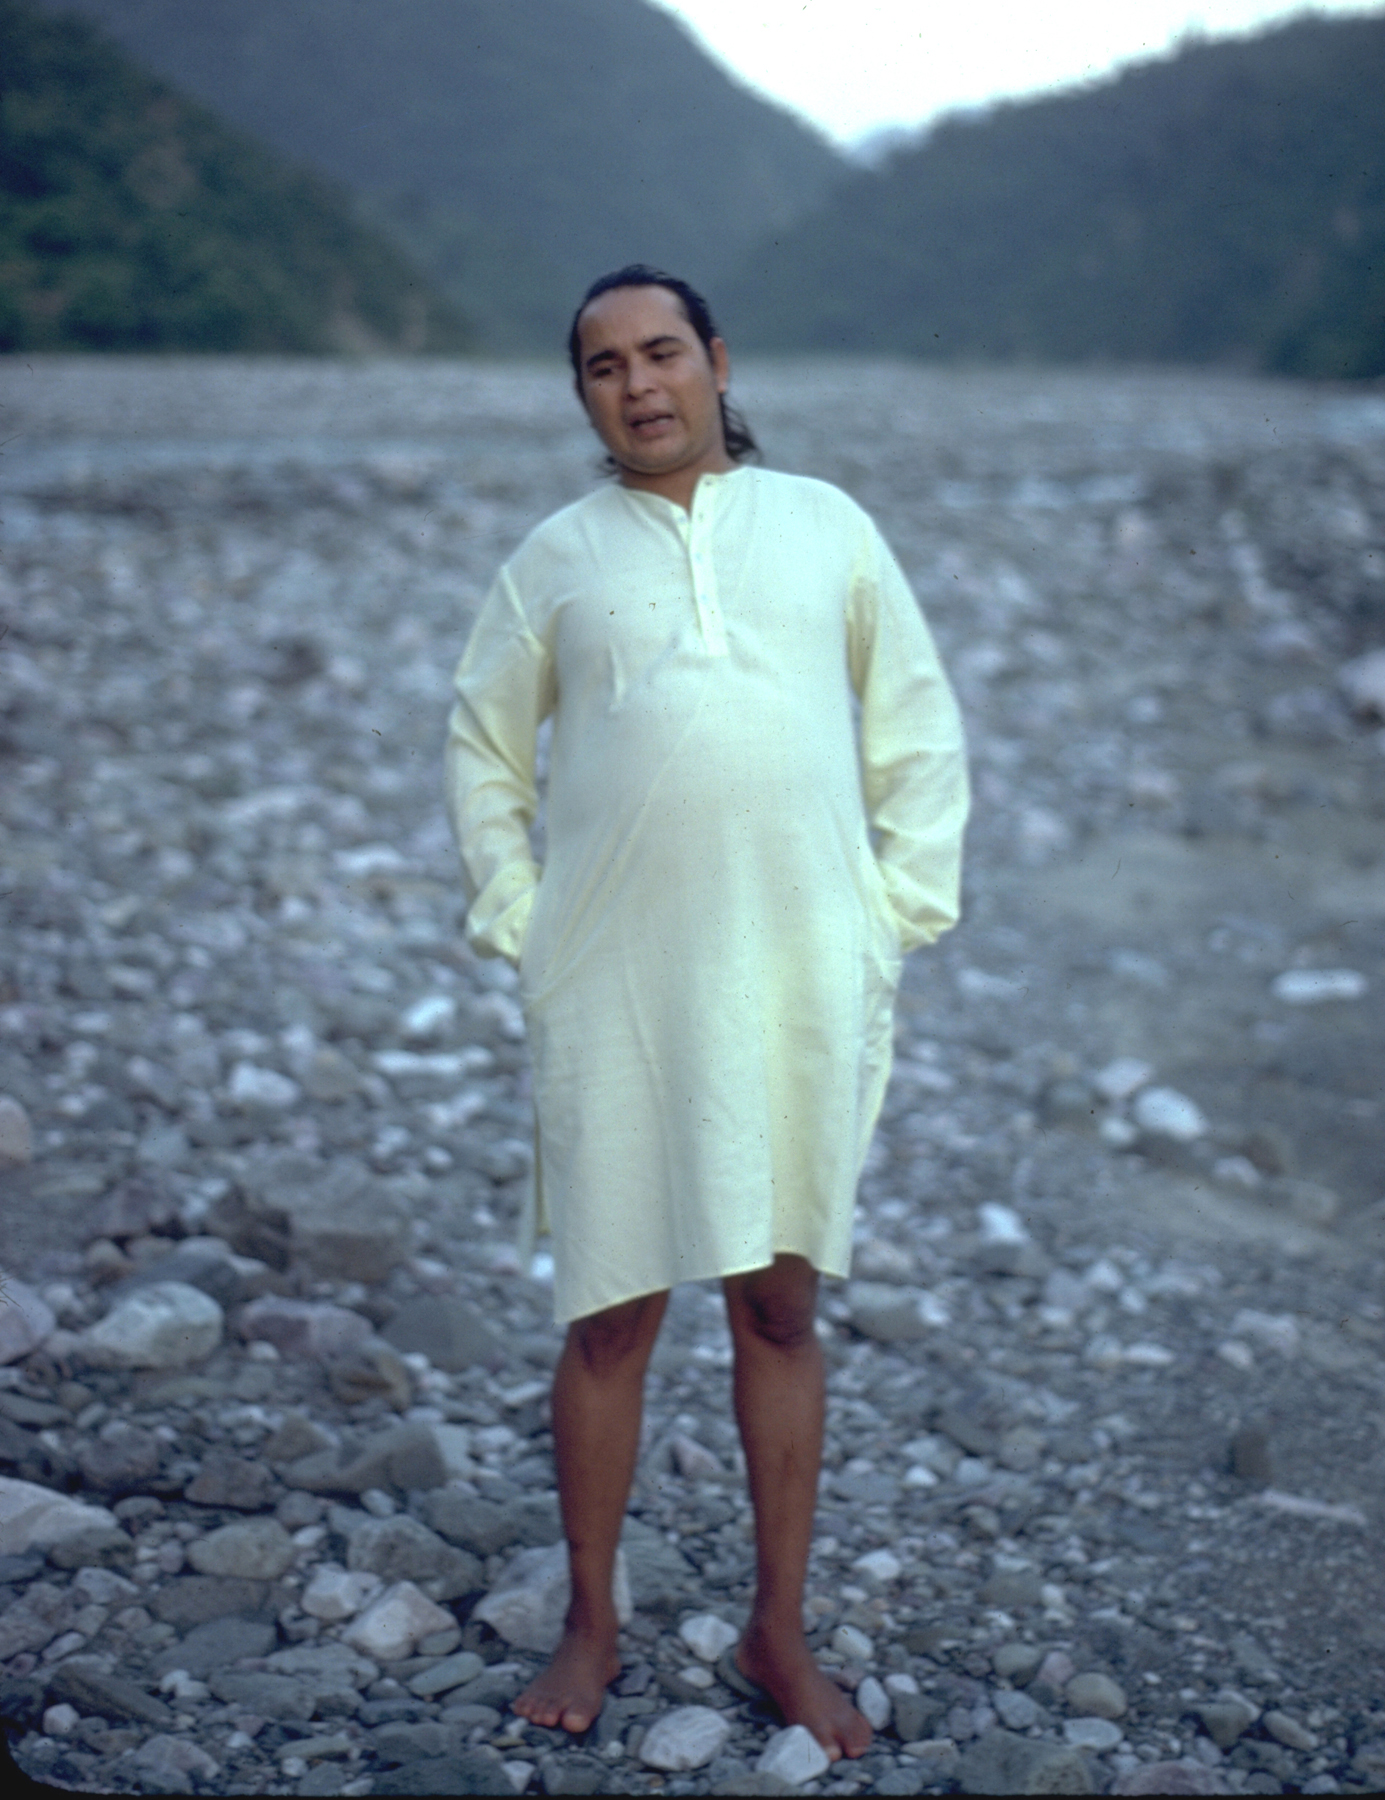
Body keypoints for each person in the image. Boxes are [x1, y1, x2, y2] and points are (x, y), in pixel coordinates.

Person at [445, 265, 969, 1760]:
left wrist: (897, 911)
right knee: (612, 1311)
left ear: (717, 362)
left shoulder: (825, 525)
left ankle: (776, 1628)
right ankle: (591, 1618)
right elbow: (483, 744)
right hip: (613, 980)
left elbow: (915, 722)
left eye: (660, 352)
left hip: (801, 972)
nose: (638, 385)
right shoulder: (556, 559)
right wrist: (523, 921)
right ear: (584, 393)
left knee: (777, 1304)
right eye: (603, 365)